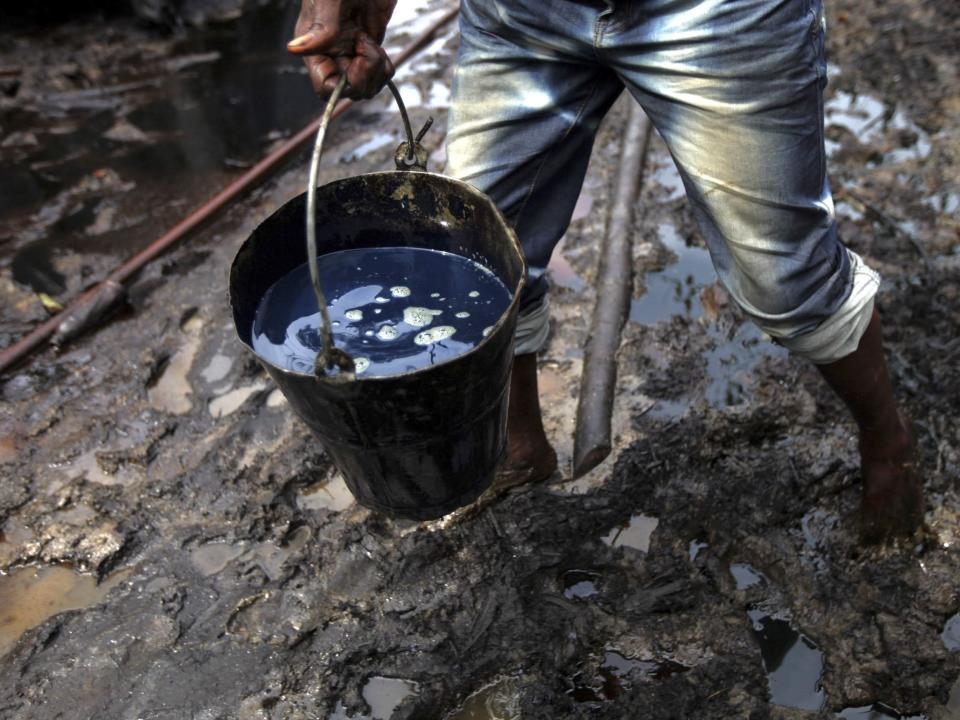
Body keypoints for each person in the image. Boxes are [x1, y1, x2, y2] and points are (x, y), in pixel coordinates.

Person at [287, 0, 923, 542]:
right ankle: (516, 447)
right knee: (480, 243)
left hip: (719, 16)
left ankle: (888, 440)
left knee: (785, 279)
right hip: (524, 13)